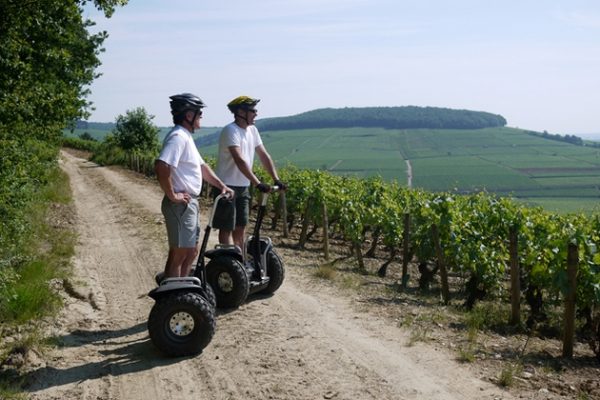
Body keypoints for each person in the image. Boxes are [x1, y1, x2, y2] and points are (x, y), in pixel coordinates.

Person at [155, 93, 233, 278]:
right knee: (179, 254)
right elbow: (161, 165)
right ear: (189, 115)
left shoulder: (186, 137)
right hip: (180, 204)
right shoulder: (178, 137)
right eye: (199, 113)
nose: (201, 117)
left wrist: (221, 185)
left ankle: (183, 291)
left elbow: (202, 167)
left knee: (191, 252)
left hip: (189, 204)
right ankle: (173, 298)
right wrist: (173, 195)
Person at [213, 95, 286, 250]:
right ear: (240, 112)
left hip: (243, 186)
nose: (256, 114)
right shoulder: (230, 131)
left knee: (241, 227)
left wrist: (276, 179)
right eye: (252, 110)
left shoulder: (252, 130)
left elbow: (264, 155)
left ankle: (240, 261)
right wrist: (257, 183)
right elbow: (239, 160)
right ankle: (228, 260)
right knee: (226, 228)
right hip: (226, 185)